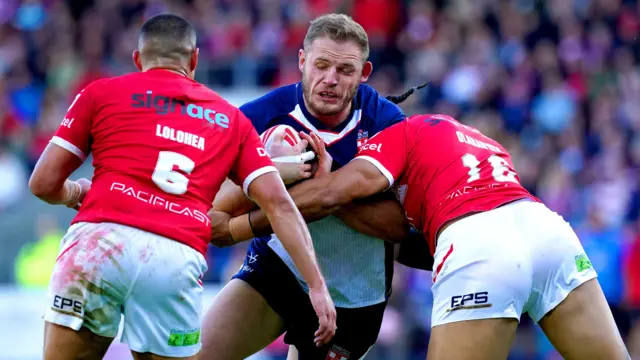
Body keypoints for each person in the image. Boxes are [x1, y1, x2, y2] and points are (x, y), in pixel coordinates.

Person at [28, 14, 335, 360]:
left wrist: (75, 193)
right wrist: (317, 285)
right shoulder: (230, 119)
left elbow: (43, 184)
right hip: (173, 257)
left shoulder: (101, 92)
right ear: (194, 59)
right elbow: (279, 206)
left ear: (137, 59)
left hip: (99, 242)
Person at [265, 113, 631, 360]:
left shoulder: (402, 133)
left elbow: (333, 194)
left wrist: (251, 213)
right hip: (547, 230)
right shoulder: (479, 142)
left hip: (477, 242)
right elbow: (402, 233)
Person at [201, 13, 425, 360]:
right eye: (321, 65)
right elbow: (212, 208)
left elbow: (398, 227)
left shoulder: (386, 124)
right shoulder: (259, 116)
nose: (330, 80)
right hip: (278, 268)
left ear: (364, 74)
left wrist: (330, 188)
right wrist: (273, 179)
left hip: (353, 294)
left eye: (345, 71)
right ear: (302, 61)